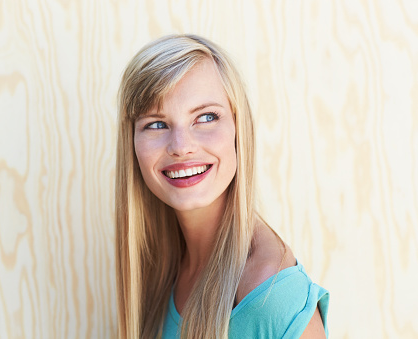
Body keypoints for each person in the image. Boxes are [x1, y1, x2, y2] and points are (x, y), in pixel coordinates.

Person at [115, 34, 329, 338]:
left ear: (239, 130)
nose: (181, 146)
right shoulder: (162, 268)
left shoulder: (274, 300)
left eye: (205, 117)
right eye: (156, 124)